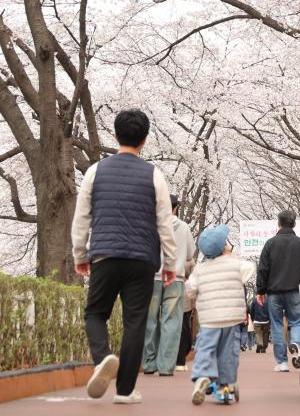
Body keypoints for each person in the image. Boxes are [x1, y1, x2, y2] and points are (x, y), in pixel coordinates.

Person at [71, 108, 177, 404]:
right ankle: (126, 391)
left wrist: (81, 253)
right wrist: (170, 263)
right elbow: (164, 223)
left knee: (95, 313)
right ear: (144, 140)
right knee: (135, 321)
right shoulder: (154, 174)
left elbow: (82, 217)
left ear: (115, 135)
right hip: (142, 259)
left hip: (104, 254)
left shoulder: (95, 171)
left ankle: (103, 357)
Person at [187, 225, 255, 405]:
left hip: (210, 320)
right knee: (228, 353)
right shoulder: (235, 265)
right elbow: (250, 268)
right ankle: (224, 384)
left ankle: (203, 376)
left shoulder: (200, 270)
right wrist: (231, 258)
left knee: (206, 348)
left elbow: (189, 291)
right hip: (232, 320)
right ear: (224, 248)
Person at [143, 195, 196, 376]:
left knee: (149, 319)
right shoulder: (183, 227)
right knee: (172, 320)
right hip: (176, 277)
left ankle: (149, 363)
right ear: (175, 208)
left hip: (151, 277)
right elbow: (190, 255)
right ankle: (166, 366)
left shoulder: (149, 225)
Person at [256, 210, 300, 372]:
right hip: (295, 289)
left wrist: (261, 290)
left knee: (277, 325)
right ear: (294, 223)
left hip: (274, 292)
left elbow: (263, 269)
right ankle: (296, 344)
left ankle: (282, 362)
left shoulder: (270, 244)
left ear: (278, 223)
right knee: (297, 321)